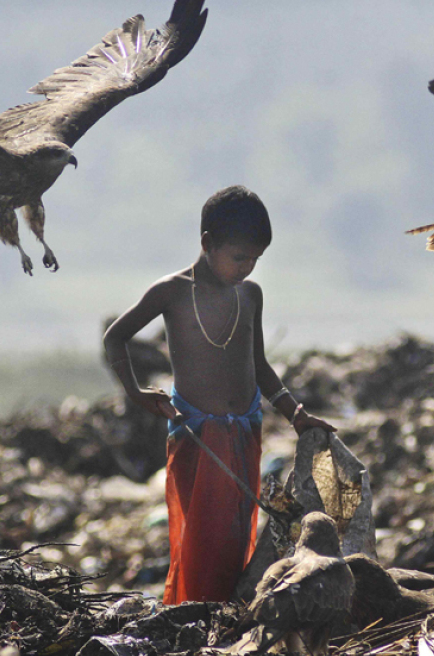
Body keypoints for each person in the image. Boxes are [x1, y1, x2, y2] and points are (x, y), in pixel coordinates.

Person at [103, 185, 335, 604]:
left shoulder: (249, 295)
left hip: (245, 431)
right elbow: (115, 337)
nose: (247, 268)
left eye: (255, 259)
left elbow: (259, 364)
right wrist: (135, 391)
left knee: (235, 536)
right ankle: (195, 613)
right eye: (239, 257)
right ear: (207, 243)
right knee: (202, 541)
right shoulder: (172, 292)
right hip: (197, 435)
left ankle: (226, 615)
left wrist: (295, 413)